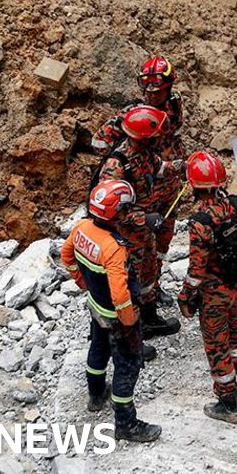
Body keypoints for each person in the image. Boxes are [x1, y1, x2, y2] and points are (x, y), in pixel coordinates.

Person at [61, 179, 163, 442]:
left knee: (98, 348)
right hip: (116, 316)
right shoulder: (113, 248)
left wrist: (82, 282)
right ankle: (126, 423)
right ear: (116, 213)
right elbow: (120, 293)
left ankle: (96, 395)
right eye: (125, 209)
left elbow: (66, 254)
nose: (128, 213)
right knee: (127, 365)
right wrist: (129, 320)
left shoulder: (81, 228)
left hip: (96, 306)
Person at [91, 55, 188, 309]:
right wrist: (126, 163)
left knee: (161, 243)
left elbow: (175, 139)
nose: (151, 94)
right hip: (145, 192)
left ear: (169, 86)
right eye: (147, 88)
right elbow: (99, 141)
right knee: (140, 246)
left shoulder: (175, 106)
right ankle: (135, 301)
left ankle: (152, 288)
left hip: (169, 184)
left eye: (158, 89)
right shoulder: (133, 113)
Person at [177, 151, 237, 424]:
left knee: (216, 344)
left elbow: (196, 270)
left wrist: (185, 296)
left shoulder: (201, 221)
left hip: (215, 293)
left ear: (194, 185)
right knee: (233, 329)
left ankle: (229, 403)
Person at [97, 105, 182, 340]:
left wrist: (182, 166)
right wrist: (143, 217)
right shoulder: (116, 165)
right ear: (143, 139)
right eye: (156, 137)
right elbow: (109, 208)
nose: (160, 141)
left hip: (144, 233)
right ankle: (130, 335)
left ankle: (149, 319)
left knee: (148, 275)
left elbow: (160, 168)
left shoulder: (145, 154)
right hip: (126, 236)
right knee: (129, 282)